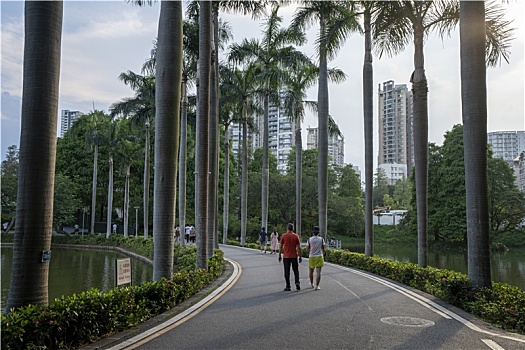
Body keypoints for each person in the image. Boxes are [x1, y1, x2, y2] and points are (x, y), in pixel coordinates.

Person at [278, 223, 302, 291]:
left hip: (286, 256)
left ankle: (288, 286)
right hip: (294, 256)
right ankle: (297, 282)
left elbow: (281, 246)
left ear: (287, 228)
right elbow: (298, 247)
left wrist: (279, 255)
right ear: (293, 229)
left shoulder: (283, 236)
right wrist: (300, 256)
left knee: (287, 271)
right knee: (296, 270)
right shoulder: (296, 236)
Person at [306, 226, 325, 290]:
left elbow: (307, 249)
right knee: (318, 272)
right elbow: (323, 249)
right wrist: (323, 254)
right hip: (319, 256)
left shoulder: (309, 239)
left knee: (311, 272)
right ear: (318, 233)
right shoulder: (321, 239)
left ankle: (311, 284)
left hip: (311, 256)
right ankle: (317, 286)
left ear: (313, 233)